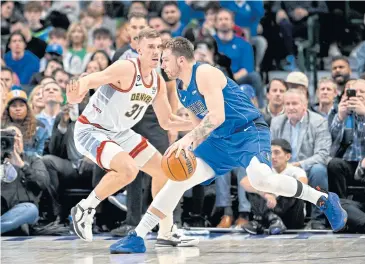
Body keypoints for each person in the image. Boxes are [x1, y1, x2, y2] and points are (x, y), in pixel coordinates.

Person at [111, 37, 348, 254]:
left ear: (180, 59)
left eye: (165, 60)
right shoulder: (182, 90)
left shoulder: (205, 73)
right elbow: (202, 127)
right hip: (219, 141)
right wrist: (187, 148)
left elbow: (217, 117)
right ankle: (138, 235)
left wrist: (187, 139)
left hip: (247, 131)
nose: (161, 64)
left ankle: (322, 199)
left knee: (261, 179)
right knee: (178, 180)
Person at [67, 28, 197, 247]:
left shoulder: (157, 82)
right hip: (91, 129)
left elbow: (166, 121)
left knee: (164, 171)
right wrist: (75, 93)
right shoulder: (127, 67)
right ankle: (84, 209)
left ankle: (166, 231)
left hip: (121, 133)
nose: (156, 52)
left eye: (159, 47)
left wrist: (199, 124)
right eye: (151, 47)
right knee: (128, 170)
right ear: (139, 50)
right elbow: (93, 78)